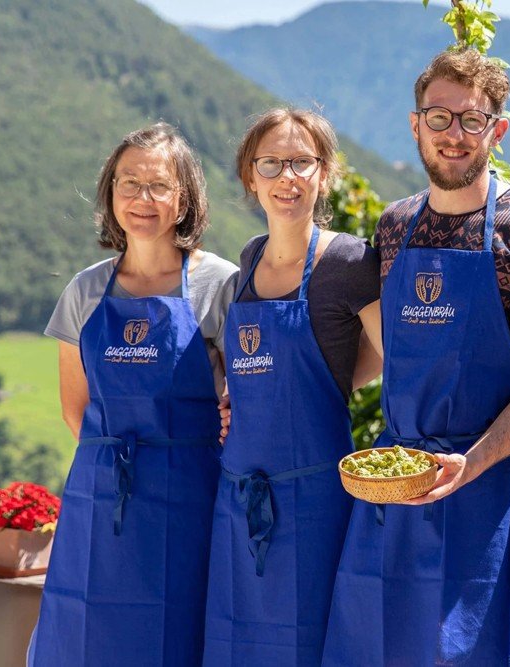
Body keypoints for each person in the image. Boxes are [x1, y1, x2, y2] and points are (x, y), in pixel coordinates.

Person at [322, 47, 510, 666]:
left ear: (498, 128)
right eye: (439, 119)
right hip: (393, 487)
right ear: (416, 125)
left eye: (473, 120)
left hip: (486, 494)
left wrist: (471, 462)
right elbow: (389, 355)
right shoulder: (394, 227)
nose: (455, 136)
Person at [29, 123, 237, 665]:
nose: (142, 198)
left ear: (184, 198)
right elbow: (75, 409)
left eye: (159, 184)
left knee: (182, 630)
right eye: (129, 182)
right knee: (88, 632)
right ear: (111, 193)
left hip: (193, 497)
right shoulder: (85, 290)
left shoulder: (222, 285)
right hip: (101, 503)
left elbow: (247, 389)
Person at [202, 108, 382, 665]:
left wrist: (330, 381)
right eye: (273, 163)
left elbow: (391, 359)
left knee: (312, 641)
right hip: (239, 494)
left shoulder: (347, 259)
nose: (288, 177)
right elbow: (241, 364)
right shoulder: (248, 260)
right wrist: (234, 399)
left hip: (315, 499)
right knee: (237, 641)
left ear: (324, 174)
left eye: (302, 162)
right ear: (250, 177)